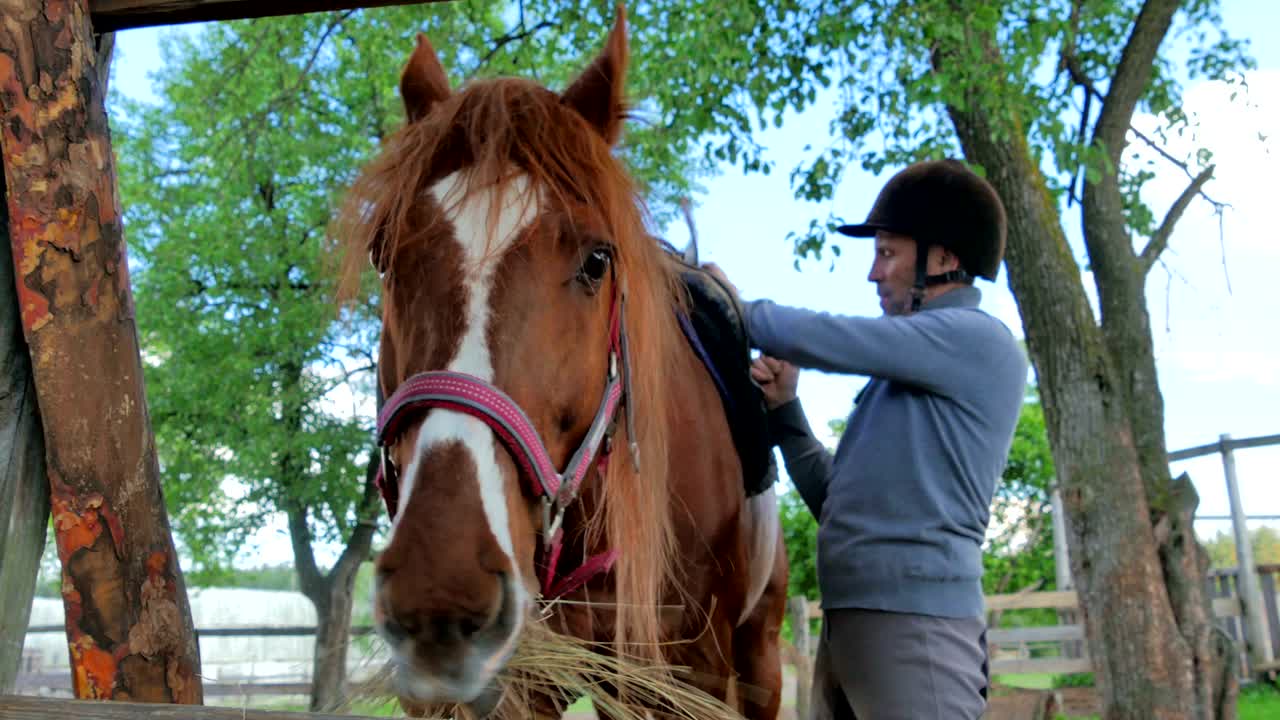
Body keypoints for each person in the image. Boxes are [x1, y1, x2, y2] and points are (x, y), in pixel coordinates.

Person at [707, 159, 1028, 719]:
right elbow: (840, 502)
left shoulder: (976, 339)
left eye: (887, 252)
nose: (873, 274)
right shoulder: (909, 371)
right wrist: (786, 411)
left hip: (914, 629)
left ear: (945, 258)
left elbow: (831, 337)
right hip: (858, 623)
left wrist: (722, 305)